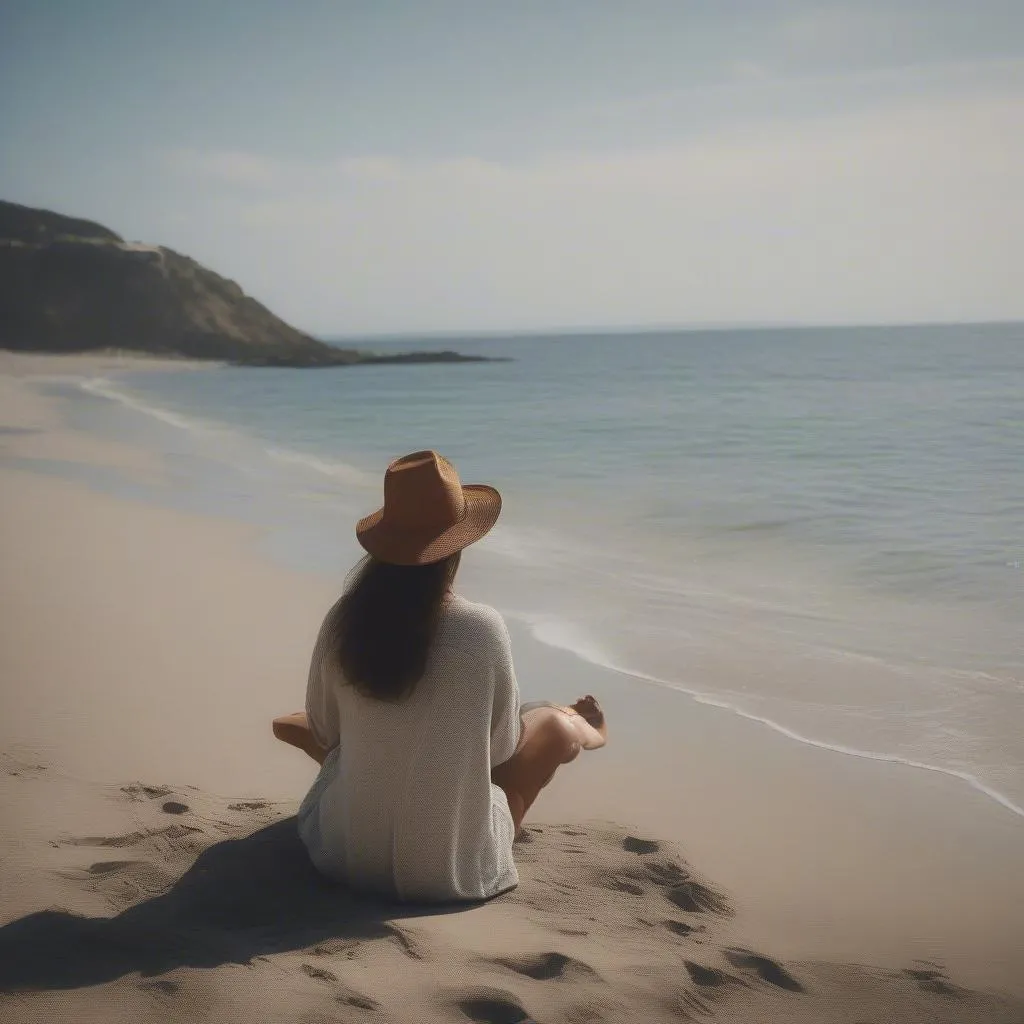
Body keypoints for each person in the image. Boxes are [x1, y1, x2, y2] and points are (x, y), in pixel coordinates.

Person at [271, 449, 607, 904]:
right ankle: (579, 726)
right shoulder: (480, 627)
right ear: (458, 544)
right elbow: (499, 750)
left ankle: (337, 742)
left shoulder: (344, 621)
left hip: (343, 857)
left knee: (345, 737)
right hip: (447, 876)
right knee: (549, 728)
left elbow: (329, 732)